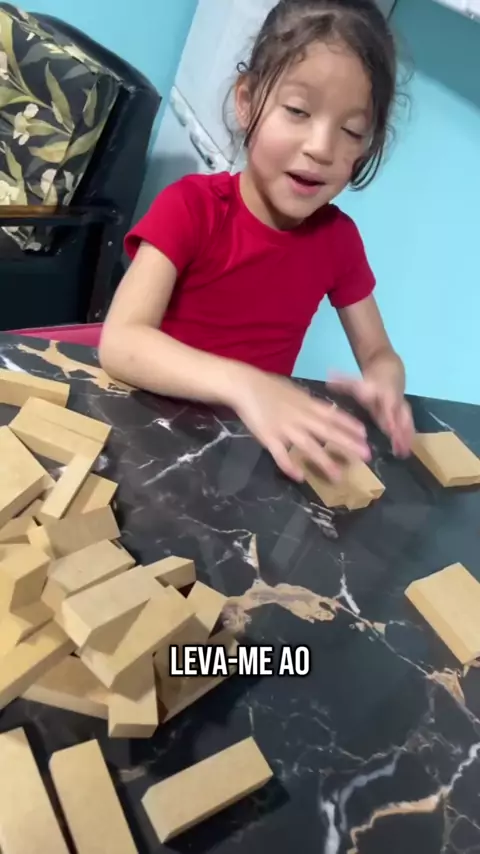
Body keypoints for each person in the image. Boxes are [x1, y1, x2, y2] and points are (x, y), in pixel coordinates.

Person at [98, 0, 415, 483]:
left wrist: (386, 382)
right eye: (298, 111)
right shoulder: (191, 207)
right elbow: (121, 342)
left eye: (352, 130)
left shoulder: (338, 240)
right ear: (246, 102)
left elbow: (378, 354)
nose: (321, 148)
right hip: (146, 432)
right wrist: (244, 383)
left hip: (243, 452)